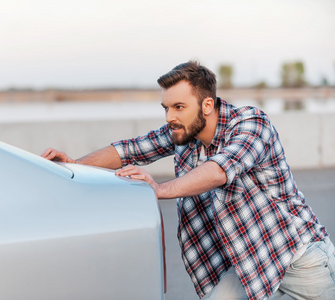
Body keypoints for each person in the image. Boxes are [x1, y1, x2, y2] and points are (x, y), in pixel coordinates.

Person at [41, 61, 335, 300]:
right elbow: (129, 149)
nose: (169, 116)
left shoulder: (251, 124)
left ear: (207, 105)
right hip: (251, 264)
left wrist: (160, 189)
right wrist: (74, 164)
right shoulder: (184, 134)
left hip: (301, 261)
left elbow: (220, 170)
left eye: (178, 107)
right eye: (166, 108)